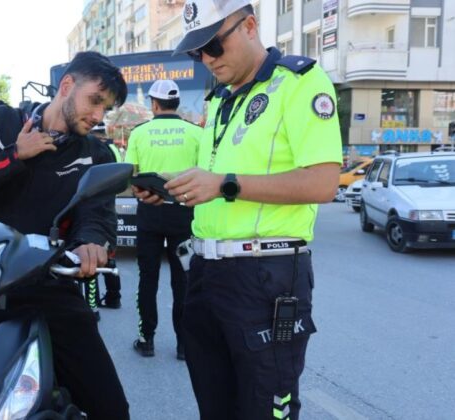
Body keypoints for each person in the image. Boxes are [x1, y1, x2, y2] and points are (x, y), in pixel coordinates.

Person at [135, 2, 342, 418]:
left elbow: (323, 182)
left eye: (213, 45)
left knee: (264, 408)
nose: (207, 60)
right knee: (215, 409)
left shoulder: (299, 82)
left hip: (266, 277)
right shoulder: (221, 100)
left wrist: (225, 184)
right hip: (207, 275)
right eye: (197, 53)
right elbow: (222, 186)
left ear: (250, 26)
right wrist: (178, 189)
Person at [0, 51, 129, 420]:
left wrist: (91, 245)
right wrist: (13, 157)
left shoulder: (96, 153)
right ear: (67, 86)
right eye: (95, 100)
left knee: (111, 408)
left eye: (107, 108)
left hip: (49, 287)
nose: (99, 115)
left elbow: (97, 217)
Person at [125, 79, 202, 360]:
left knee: (148, 279)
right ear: (177, 103)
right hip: (185, 215)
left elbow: (130, 175)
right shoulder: (196, 133)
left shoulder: (139, 133)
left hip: (149, 214)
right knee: (183, 281)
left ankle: (147, 341)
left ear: (154, 104)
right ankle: (184, 346)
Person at [86, 122, 122, 311]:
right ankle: (114, 297)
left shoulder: (90, 147)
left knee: (92, 259)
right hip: (109, 207)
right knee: (109, 256)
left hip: (94, 206)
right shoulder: (113, 147)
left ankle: (92, 306)